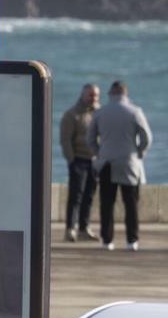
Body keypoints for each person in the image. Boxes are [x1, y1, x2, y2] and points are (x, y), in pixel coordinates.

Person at [88, 80, 152, 251]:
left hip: (107, 163)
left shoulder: (100, 113)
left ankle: (107, 241)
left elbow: (90, 138)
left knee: (107, 204)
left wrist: (99, 152)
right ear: (125, 94)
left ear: (110, 94)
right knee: (130, 204)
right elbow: (147, 138)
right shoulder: (135, 111)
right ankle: (132, 241)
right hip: (129, 163)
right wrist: (138, 152)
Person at [59, 83, 100, 242]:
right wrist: (71, 160)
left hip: (94, 161)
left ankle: (84, 228)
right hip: (78, 160)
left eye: (96, 95)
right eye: (91, 95)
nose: (93, 98)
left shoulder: (99, 113)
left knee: (89, 196)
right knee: (76, 195)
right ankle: (70, 228)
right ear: (83, 95)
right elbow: (65, 140)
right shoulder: (72, 114)